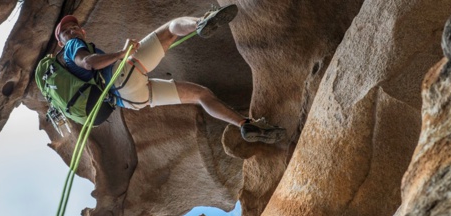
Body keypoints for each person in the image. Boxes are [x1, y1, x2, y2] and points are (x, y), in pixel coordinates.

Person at [54, 4, 285, 144]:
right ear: (61, 43)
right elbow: (88, 62)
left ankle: (246, 124)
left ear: (83, 29)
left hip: (131, 100)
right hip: (123, 76)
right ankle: (202, 22)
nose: (71, 31)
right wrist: (121, 54)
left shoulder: (68, 68)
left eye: (74, 27)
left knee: (201, 94)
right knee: (172, 28)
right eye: (66, 31)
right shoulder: (72, 46)